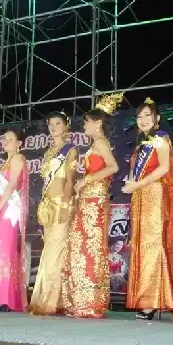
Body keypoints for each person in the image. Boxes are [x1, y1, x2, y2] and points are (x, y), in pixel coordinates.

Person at [121, 98, 173, 320]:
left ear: (157, 118)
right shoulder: (140, 144)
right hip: (140, 195)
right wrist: (131, 183)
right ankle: (146, 297)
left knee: (152, 244)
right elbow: (135, 171)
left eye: (147, 115)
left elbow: (165, 167)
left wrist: (138, 184)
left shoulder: (160, 138)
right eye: (139, 116)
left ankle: (152, 301)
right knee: (141, 245)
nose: (143, 119)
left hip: (154, 194)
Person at [61, 93, 122, 318]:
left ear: (97, 123)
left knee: (90, 247)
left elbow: (113, 167)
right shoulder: (96, 144)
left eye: (87, 121)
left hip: (95, 200)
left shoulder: (101, 142)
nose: (84, 125)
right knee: (82, 246)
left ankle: (89, 301)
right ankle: (83, 300)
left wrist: (86, 180)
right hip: (88, 199)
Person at [29, 112, 78, 315]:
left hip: (61, 204)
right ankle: (47, 297)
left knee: (56, 252)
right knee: (49, 250)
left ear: (66, 126)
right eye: (50, 124)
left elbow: (70, 180)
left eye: (58, 123)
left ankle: (51, 300)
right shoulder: (48, 152)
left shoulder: (70, 150)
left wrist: (65, 205)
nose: (53, 127)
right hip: (48, 205)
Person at [0, 129, 30, 312]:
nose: (6, 141)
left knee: (6, 250)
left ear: (19, 143)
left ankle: (5, 299)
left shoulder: (18, 158)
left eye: (10, 138)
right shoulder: (5, 163)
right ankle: (1, 297)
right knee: (0, 249)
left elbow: (11, 185)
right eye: (4, 138)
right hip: (3, 208)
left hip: (10, 210)